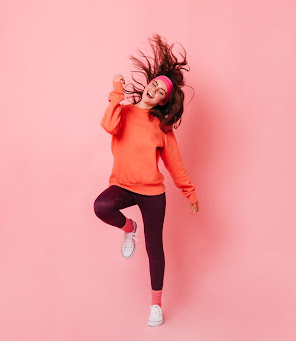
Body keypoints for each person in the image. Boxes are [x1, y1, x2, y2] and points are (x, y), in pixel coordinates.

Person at [93, 34, 200, 327]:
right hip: (124, 186)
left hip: (152, 193)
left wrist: (189, 193)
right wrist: (116, 90)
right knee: (101, 206)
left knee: (156, 248)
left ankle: (156, 306)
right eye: (154, 84)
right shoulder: (124, 112)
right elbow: (108, 124)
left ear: (164, 101)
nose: (155, 89)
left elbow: (174, 163)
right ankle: (129, 228)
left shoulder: (161, 127)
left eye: (161, 92)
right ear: (147, 86)